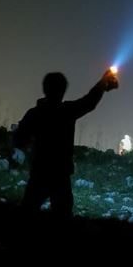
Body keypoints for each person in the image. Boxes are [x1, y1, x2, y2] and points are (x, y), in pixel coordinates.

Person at [13, 68, 119, 218]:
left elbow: (19, 140)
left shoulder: (35, 113)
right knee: (62, 215)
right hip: (60, 174)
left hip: (40, 172)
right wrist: (103, 82)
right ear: (63, 90)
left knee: (28, 211)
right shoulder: (67, 111)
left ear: (45, 89)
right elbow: (89, 101)